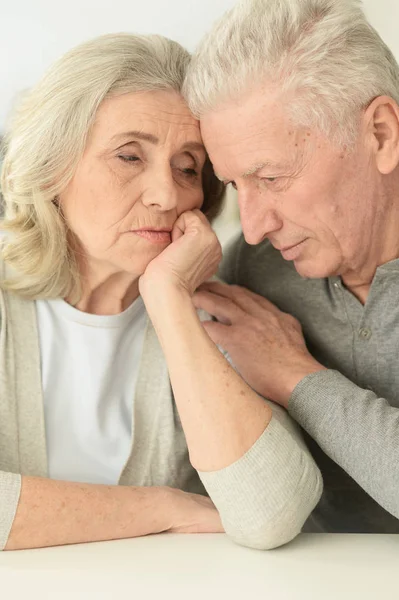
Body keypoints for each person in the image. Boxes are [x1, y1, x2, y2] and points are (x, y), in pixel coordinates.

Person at [0, 32, 322, 551]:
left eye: (188, 167)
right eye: (129, 156)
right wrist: (164, 507)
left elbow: (272, 513)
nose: (167, 194)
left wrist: (170, 300)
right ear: (52, 166)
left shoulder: (222, 315)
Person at [184, 0, 399, 533]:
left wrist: (293, 375)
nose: (254, 227)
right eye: (236, 185)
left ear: (381, 133)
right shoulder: (253, 268)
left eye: (272, 177)